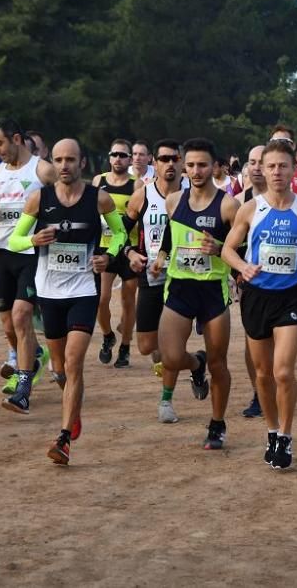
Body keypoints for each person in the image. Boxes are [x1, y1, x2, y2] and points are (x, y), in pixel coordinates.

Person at [7, 139, 126, 464]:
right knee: (59, 368)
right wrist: (32, 239)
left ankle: (62, 440)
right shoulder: (38, 199)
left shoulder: (98, 198)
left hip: (83, 292)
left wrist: (108, 256)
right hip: (49, 293)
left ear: (82, 163)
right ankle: (72, 412)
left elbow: (119, 235)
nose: (63, 165)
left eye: (70, 159)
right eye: (58, 159)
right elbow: (14, 240)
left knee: (73, 364)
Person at [223, 139, 297, 469]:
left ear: (293, 169)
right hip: (256, 296)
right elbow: (227, 250)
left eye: (283, 165)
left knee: (283, 371)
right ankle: (271, 429)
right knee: (264, 375)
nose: (277, 172)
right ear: (262, 170)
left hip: (291, 296)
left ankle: (286, 435)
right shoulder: (250, 209)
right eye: (271, 166)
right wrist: (242, 267)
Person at [152, 138, 239, 450]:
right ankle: (195, 364)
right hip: (179, 287)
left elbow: (241, 246)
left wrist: (220, 248)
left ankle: (217, 423)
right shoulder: (174, 201)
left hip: (213, 291)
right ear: (183, 167)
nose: (196, 171)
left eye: (202, 164)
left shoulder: (228, 205)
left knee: (219, 363)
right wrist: (161, 257)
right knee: (171, 358)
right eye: (190, 165)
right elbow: (168, 237)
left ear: (214, 167)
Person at [0, 119, 56, 407]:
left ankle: (23, 389)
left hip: (32, 253)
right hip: (1, 253)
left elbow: (69, 198)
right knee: (9, 325)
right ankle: (35, 356)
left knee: (21, 316)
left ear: (16, 139)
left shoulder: (42, 169)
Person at [123, 139, 185, 423]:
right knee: (147, 346)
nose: (170, 164)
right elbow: (120, 231)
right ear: (155, 163)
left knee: (172, 345)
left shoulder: (193, 195)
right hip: (151, 276)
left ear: (181, 162)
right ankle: (196, 362)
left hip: (185, 279)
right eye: (164, 159)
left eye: (174, 159)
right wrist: (130, 252)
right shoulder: (143, 195)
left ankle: (166, 400)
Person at [93, 139, 142, 369]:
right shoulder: (99, 181)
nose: (118, 159)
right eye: (115, 154)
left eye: (123, 155)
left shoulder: (136, 184)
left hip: (128, 249)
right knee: (101, 300)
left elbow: (137, 217)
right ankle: (107, 335)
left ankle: (124, 348)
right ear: (110, 157)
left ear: (129, 159)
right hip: (104, 247)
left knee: (128, 302)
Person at [234, 145, 266, 417]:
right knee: (251, 339)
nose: (256, 167)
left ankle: (275, 388)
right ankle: (258, 393)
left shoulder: (293, 200)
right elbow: (228, 244)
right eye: (251, 162)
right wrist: (239, 269)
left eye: (261, 161)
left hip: (287, 284)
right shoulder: (237, 202)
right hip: (250, 283)